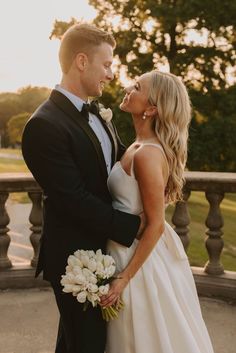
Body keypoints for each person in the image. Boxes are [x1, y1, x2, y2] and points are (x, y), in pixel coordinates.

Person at [21, 23, 143, 353]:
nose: (110, 74)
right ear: (81, 61)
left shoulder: (101, 116)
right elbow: (73, 198)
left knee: (77, 343)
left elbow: (118, 168)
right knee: (88, 344)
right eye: (106, 64)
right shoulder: (43, 126)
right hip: (75, 259)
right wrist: (135, 227)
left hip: (105, 250)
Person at [102, 70, 215, 353]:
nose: (129, 86)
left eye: (137, 86)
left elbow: (156, 224)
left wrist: (123, 279)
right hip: (122, 246)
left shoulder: (147, 154)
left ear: (151, 108)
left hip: (139, 260)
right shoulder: (135, 147)